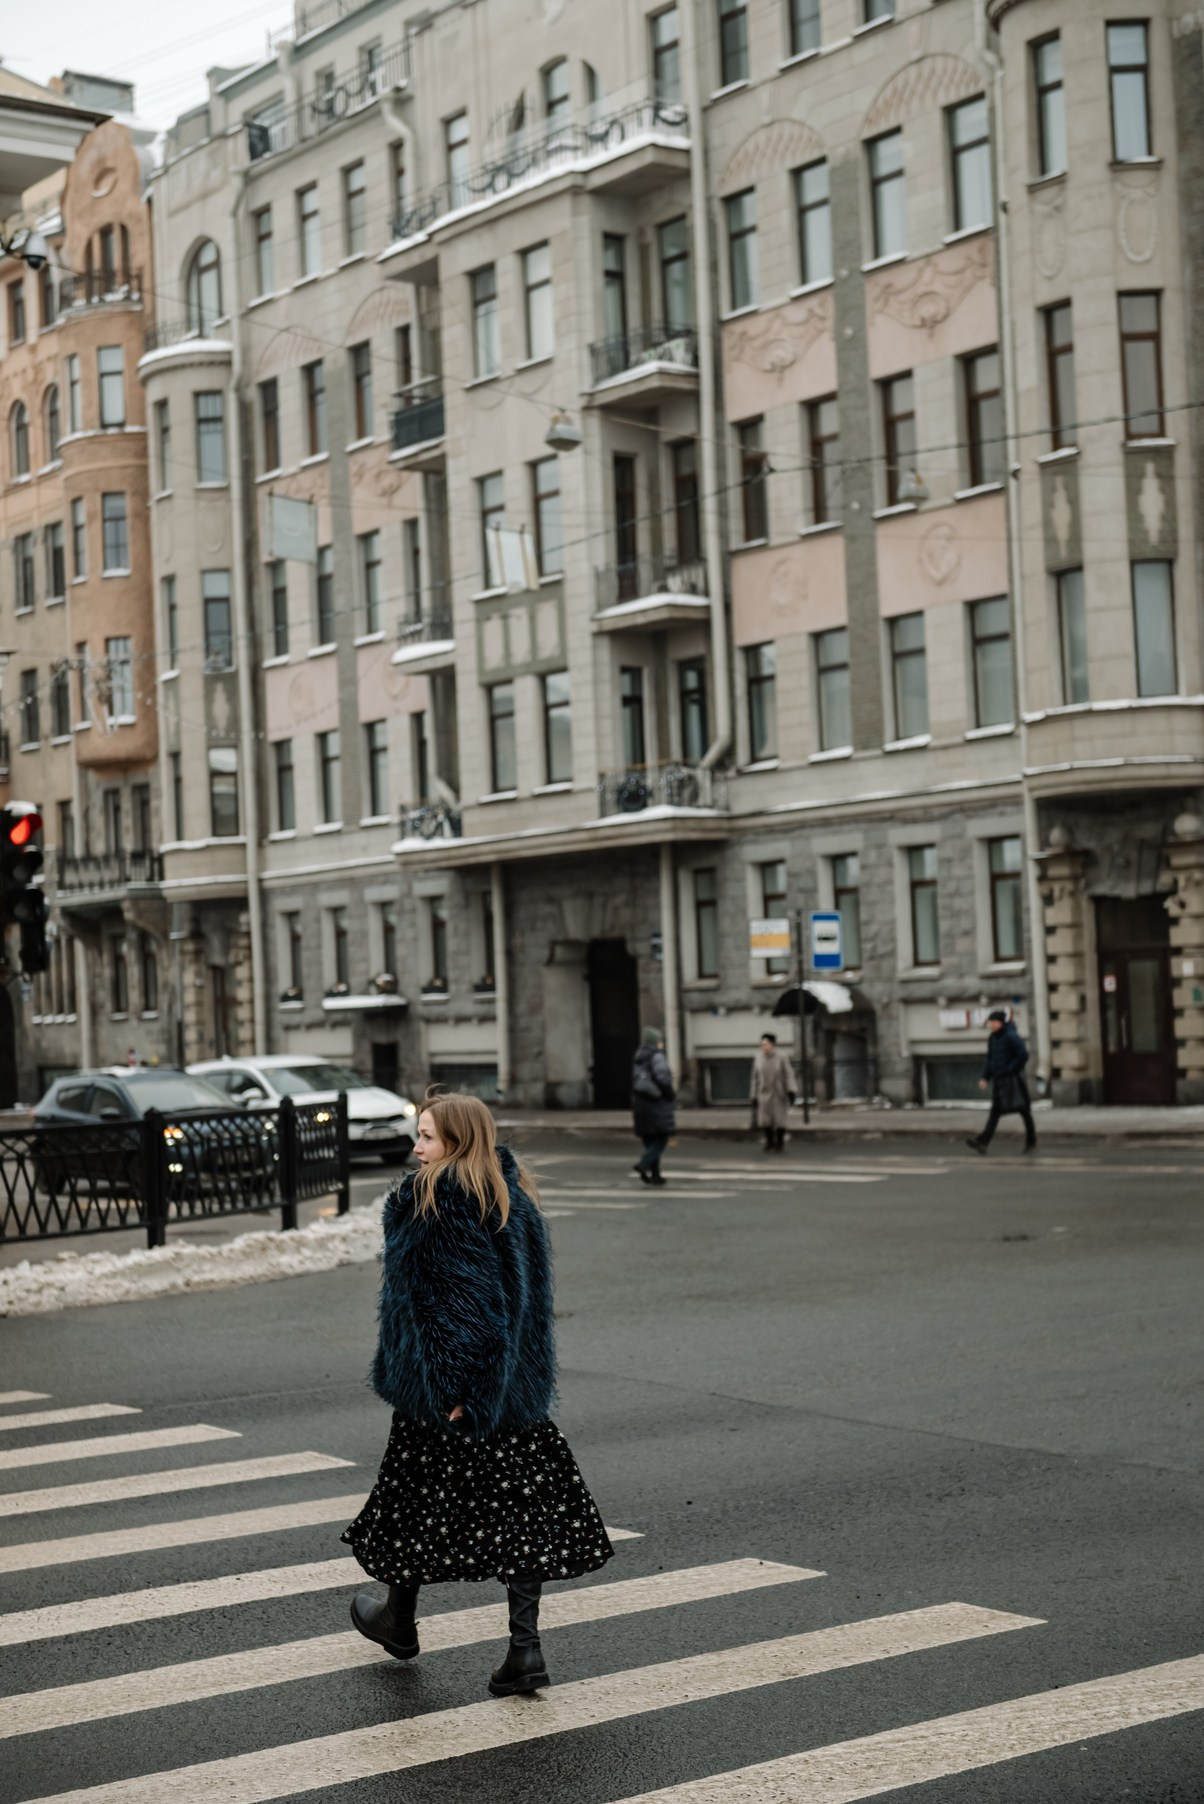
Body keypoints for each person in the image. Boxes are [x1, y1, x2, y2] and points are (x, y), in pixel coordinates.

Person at [342, 1090, 613, 1697]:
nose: (417, 1147)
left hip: (457, 1396)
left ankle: (405, 1621)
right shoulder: (509, 1198)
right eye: (418, 1134)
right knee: (511, 1513)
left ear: (457, 1143)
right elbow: (519, 1308)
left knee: (417, 1501)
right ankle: (517, 1648)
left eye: (429, 1137)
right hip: (513, 1393)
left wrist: (457, 1393)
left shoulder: (437, 1201)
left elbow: (460, 1311)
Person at [966, 1009, 1037, 1155]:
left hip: (1013, 1081)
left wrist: (1011, 1069)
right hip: (999, 1081)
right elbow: (990, 1059)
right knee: (995, 1111)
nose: (989, 1025)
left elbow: (1023, 1054)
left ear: (999, 1023)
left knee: (1023, 1110)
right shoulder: (993, 1038)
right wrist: (985, 1077)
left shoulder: (1011, 1036)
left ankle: (1031, 1141)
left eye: (991, 1022)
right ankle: (982, 1142)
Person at [631, 1025, 675, 1187]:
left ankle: (655, 1175)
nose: (662, 1043)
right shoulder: (657, 1056)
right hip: (656, 1104)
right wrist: (670, 1094)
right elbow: (663, 1078)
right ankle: (643, 1164)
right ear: (655, 1042)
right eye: (660, 1041)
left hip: (641, 1105)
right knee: (661, 1139)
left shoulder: (639, 1056)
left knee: (650, 1140)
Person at [751, 1032, 797, 1153]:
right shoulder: (758, 1057)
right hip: (763, 1093)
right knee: (765, 1120)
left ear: (772, 1044)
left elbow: (788, 1074)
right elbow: (755, 1078)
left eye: (766, 1044)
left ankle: (780, 1143)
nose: (763, 1046)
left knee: (779, 1120)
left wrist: (791, 1090)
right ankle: (769, 1142)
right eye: (762, 1044)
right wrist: (753, 1096)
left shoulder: (781, 1056)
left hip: (778, 1093)